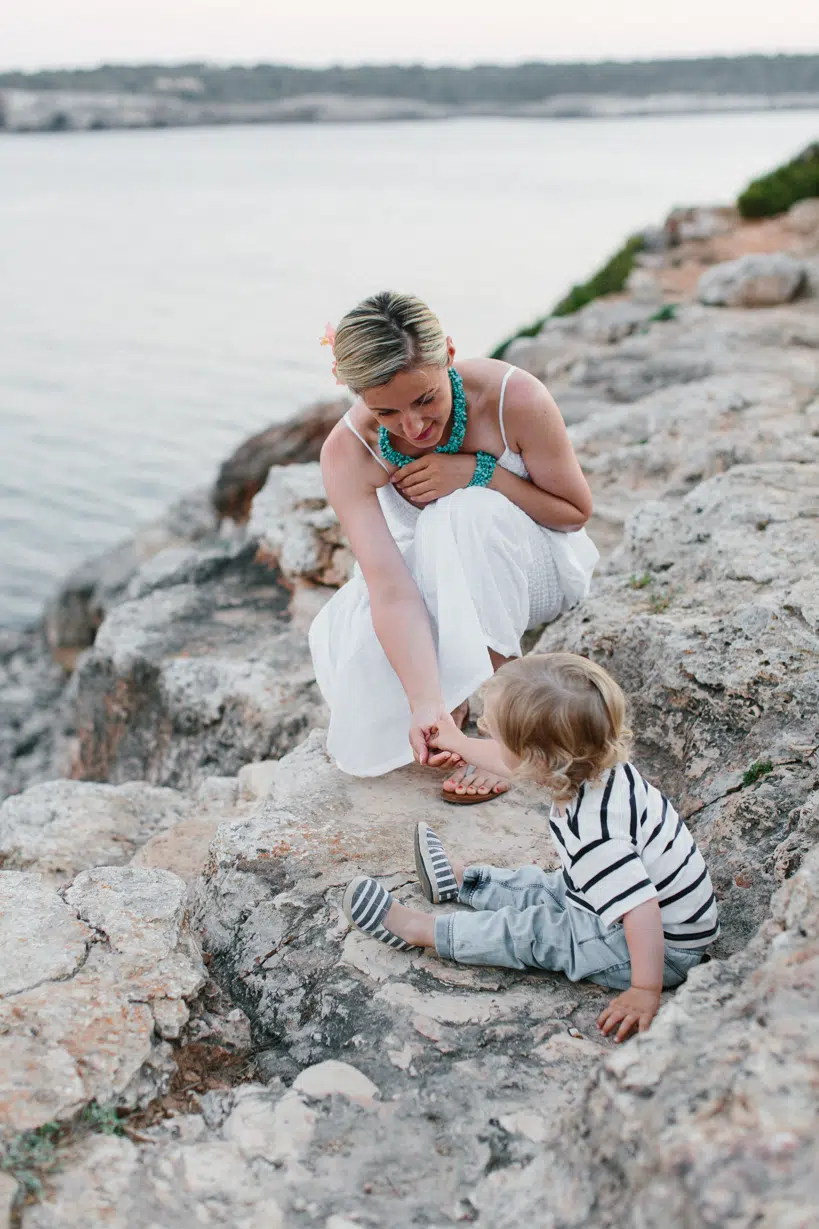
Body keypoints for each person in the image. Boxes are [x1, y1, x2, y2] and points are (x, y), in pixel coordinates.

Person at [309, 292, 598, 802]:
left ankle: (503, 721)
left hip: (535, 570)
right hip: (435, 591)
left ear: (447, 353)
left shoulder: (515, 398)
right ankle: (447, 705)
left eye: (426, 400)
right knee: (350, 639)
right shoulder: (346, 452)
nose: (415, 427)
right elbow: (391, 589)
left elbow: (574, 514)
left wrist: (479, 474)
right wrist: (425, 702)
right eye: (387, 413)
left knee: (463, 510)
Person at [342, 653, 719, 1041]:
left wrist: (644, 990)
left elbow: (641, 911)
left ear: (539, 760)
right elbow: (517, 762)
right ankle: (464, 883)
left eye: (495, 737)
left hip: (654, 948)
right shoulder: (596, 765)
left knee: (536, 932)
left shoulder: (595, 836)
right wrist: (457, 741)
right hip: (633, 912)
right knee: (548, 887)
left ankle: (422, 931)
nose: (490, 740)